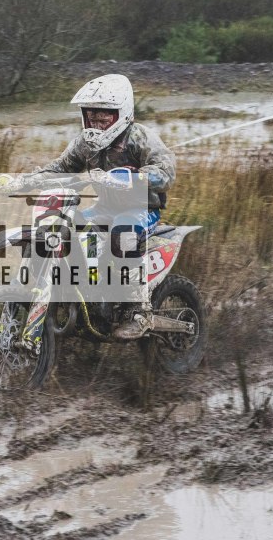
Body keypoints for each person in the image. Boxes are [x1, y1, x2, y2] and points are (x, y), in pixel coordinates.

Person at [11, 73, 176, 343]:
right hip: (105, 208)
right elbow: (59, 168)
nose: (97, 124)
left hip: (142, 209)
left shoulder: (140, 138)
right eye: (92, 117)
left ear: (121, 113)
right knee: (60, 230)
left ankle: (137, 311)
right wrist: (24, 181)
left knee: (122, 235)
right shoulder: (85, 144)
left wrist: (133, 177)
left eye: (104, 118)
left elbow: (167, 172)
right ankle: (62, 290)